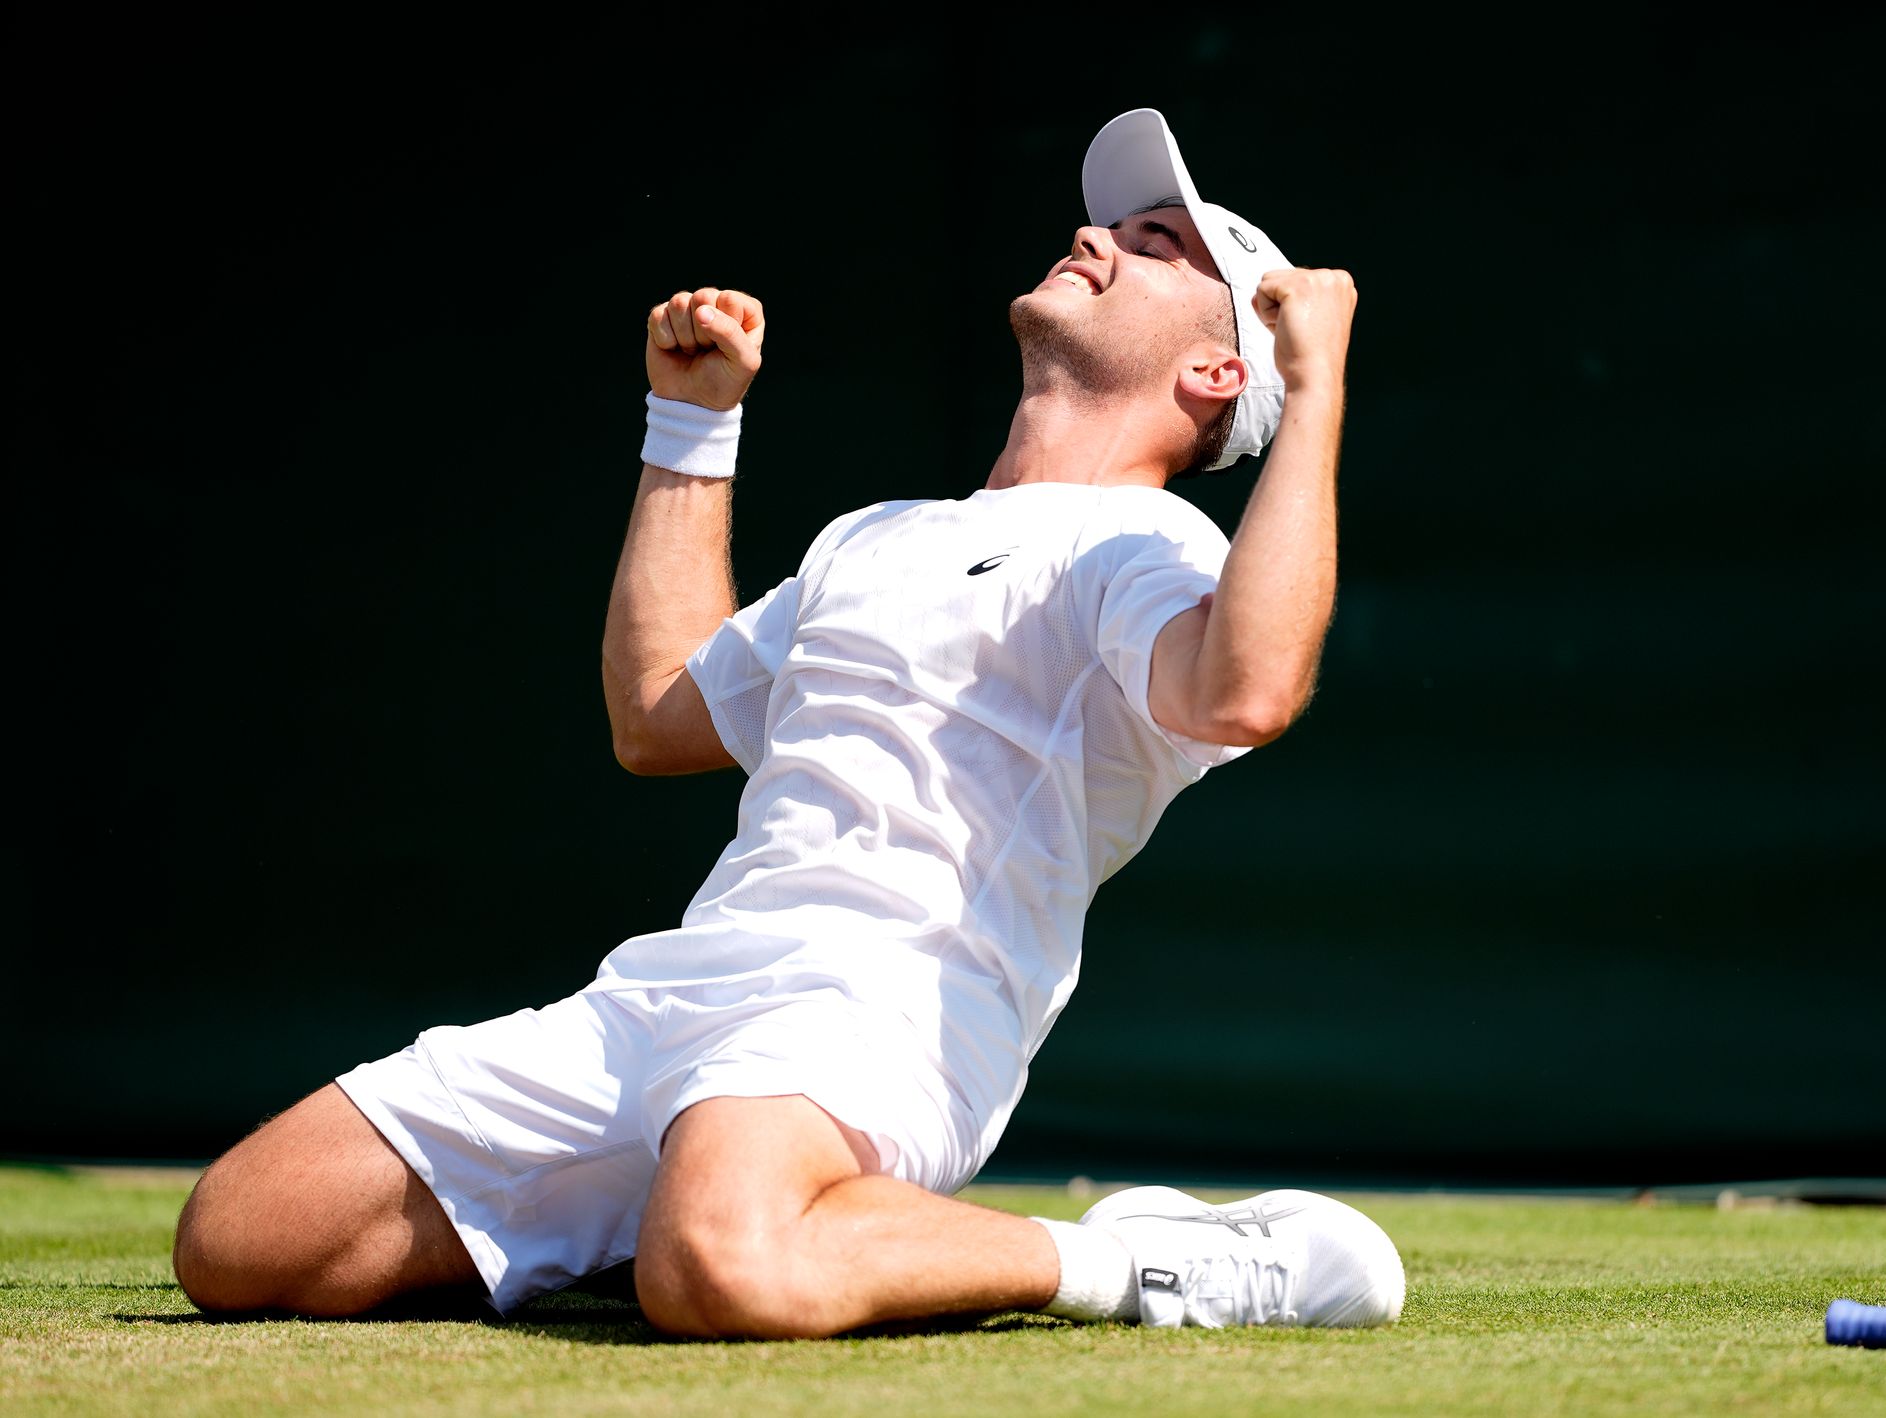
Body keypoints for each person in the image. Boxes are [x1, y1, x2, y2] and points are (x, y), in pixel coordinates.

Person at [171, 108, 1403, 1337]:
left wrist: (1317, 389)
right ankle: (667, 1208)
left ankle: (1137, 1261)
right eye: (1113, 221)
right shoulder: (870, 535)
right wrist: (692, 423)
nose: (1094, 235)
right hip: (673, 989)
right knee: (242, 1235)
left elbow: (1244, 688)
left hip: (885, 1009)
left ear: (1215, 370)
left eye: (1151, 242)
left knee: (722, 1267)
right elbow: (658, 718)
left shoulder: (1152, 545)